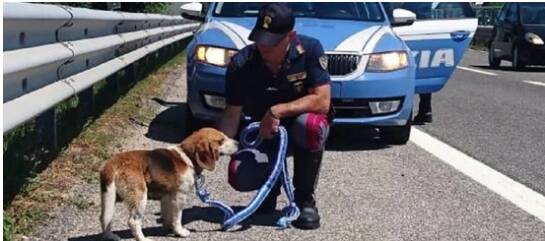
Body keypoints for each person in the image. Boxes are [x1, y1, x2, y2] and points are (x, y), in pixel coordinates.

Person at [216, 3, 332, 230]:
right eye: (260, 38)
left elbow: (323, 101)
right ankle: (268, 192)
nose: (263, 46)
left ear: (291, 36)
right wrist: (211, 148)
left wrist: (277, 110)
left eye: (271, 41)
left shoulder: (310, 50)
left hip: (298, 126)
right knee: (239, 174)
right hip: (262, 132)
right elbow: (231, 116)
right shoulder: (242, 64)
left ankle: (304, 199)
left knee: (309, 125)